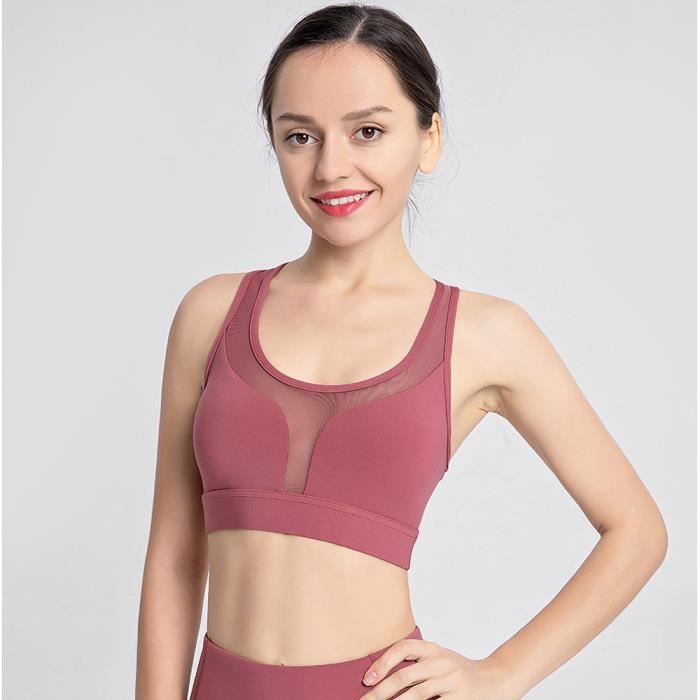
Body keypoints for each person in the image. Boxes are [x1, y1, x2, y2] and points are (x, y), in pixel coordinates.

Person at [135, 5, 668, 699]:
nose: (332, 167)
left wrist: (502, 673)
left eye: (368, 131)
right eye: (300, 136)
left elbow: (636, 530)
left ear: (428, 139)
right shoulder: (211, 314)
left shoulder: (485, 334)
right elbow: (175, 558)